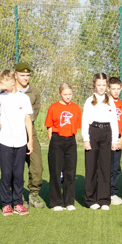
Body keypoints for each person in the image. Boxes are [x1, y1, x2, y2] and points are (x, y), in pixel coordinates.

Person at [0, 69, 33, 216]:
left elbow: (27, 120)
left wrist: (30, 140)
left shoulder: (24, 98)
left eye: (4, 82)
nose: (2, 85)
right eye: (0, 83)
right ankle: (6, 203)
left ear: (12, 81)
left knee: (19, 174)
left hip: (21, 141)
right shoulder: (2, 96)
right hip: (5, 140)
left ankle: (18, 203)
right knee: (6, 173)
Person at [81, 73, 118, 210]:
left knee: (105, 167)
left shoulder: (111, 101)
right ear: (94, 85)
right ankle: (91, 200)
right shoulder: (89, 101)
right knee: (91, 167)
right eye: (99, 85)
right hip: (93, 132)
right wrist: (86, 139)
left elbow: (114, 121)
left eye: (104, 85)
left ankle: (103, 200)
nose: (101, 88)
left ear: (106, 86)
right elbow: (85, 121)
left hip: (107, 133)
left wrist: (114, 140)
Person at [45, 83, 82, 211]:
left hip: (71, 140)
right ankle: (56, 202)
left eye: (70, 94)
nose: (68, 97)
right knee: (55, 171)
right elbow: (49, 126)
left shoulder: (76, 108)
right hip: (57, 140)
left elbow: (76, 126)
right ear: (60, 93)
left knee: (70, 171)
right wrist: (53, 141)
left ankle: (69, 201)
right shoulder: (53, 107)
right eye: (65, 94)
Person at [14, 62, 44, 209]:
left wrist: (27, 125)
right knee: (15, 167)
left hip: (29, 131)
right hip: (12, 132)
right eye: (22, 75)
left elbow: (35, 112)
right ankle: (17, 196)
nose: (25, 78)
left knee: (37, 166)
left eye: (27, 75)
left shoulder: (35, 92)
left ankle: (33, 196)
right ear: (15, 75)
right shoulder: (8, 90)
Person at [108, 77, 122, 206]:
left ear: (121, 89)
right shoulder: (105, 103)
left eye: (117, 89)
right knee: (105, 166)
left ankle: (112, 193)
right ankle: (103, 192)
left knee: (116, 167)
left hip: (118, 137)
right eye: (113, 89)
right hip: (106, 137)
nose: (115, 91)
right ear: (108, 89)